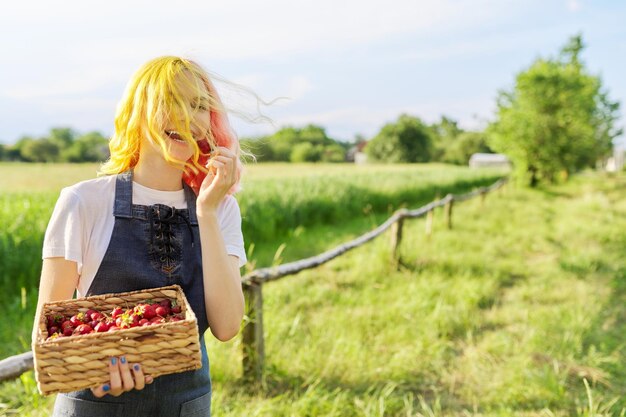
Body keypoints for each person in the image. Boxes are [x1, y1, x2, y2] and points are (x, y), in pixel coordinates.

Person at [31, 56, 249, 417]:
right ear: (139, 111)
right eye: (171, 102)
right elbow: (48, 340)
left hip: (185, 406)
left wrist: (206, 213)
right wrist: (97, 373)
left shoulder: (221, 210)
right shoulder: (84, 202)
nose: (186, 116)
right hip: (93, 406)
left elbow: (226, 327)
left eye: (197, 106)